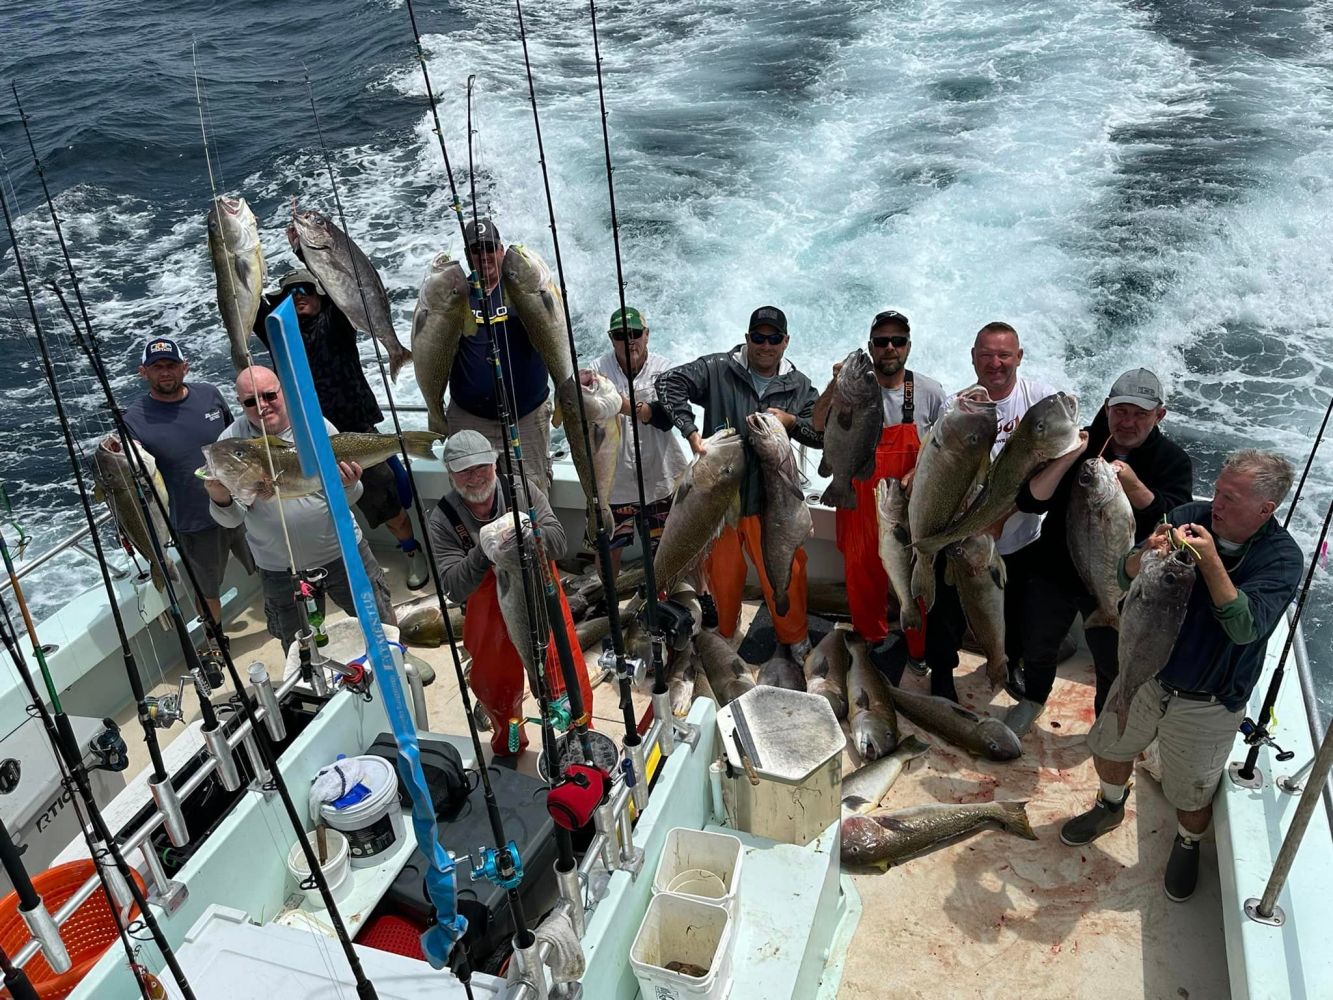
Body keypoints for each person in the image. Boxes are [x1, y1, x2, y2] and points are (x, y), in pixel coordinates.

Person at [1059, 450, 1301, 903]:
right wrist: (1143, 555)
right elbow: (1124, 573)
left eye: (1229, 498)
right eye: (1219, 491)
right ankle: (1110, 805)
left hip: (1209, 702)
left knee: (1191, 793)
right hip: (1145, 677)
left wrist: (1208, 561)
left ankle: (1187, 843)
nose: (1216, 505)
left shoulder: (1281, 559)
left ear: (1265, 509)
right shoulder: (1189, 515)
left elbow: (1245, 627)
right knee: (1109, 746)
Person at [1005, 368, 1194, 734]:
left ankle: (1106, 721)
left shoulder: (1173, 461)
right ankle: (1033, 698)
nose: (1128, 421)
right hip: (1056, 567)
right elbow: (1030, 500)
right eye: (1121, 411)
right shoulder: (1078, 444)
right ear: (1106, 408)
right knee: (1038, 643)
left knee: (1111, 660)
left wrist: (1135, 486)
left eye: (1141, 414)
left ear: (1160, 415)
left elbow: (1177, 520)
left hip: (1120, 581)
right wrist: (1069, 455)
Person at [657, 305, 822, 662]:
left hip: (772, 506)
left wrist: (792, 422)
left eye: (774, 338)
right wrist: (690, 430)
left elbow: (821, 435)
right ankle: (726, 632)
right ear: (748, 339)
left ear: (786, 342)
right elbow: (668, 383)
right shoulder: (718, 369)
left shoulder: (800, 386)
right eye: (759, 337)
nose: (766, 345)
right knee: (723, 576)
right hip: (722, 503)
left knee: (787, 574)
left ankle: (794, 636)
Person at [256, 266, 428, 589]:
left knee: (386, 499)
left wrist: (303, 250)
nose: (299, 297)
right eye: (291, 294)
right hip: (308, 441)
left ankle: (410, 551)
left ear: (321, 294)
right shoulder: (276, 331)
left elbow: (343, 288)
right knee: (314, 508)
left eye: (306, 289)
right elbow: (247, 299)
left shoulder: (336, 321)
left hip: (355, 431)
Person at [204, 366, 396, 649]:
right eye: (250, 401)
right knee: (298, 645)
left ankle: (399, 660)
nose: (262, 406)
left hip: (342, 550)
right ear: (240, 403)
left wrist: (348, 484)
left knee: (379, 621)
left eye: (269, 395)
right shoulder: (230, 445)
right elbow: (232, 521)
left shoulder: (315, 426)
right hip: (279, 568)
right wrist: (219, 497)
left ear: (283, 393)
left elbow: (351, 497)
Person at [427, 430, 594, 755]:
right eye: (464, 470)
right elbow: (453, 586)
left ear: (494, 463)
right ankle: (509, 741)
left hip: (538, 592)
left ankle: (582, 739)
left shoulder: (521, 489)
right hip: (488, 608)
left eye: (481, 467)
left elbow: (559, 543)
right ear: (449, 474)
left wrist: (533, 534)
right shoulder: (442, 520)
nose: (474, 477)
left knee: (566, 672)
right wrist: (481, 552)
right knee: (495, 687)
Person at [923, 321, 1061, 702]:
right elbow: (943, 468)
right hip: (964, 535)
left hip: (1020, 536)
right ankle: (942, 673)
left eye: (1004, 355)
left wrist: (1002, 518)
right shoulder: (958, 406)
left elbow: (1056, 460)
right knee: (946, 610)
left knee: (1016, 612)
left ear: (1019, 356)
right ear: (973, 358)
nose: (995, 363)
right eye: (986, 355)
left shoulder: (1039, 399)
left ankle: (1006, 663)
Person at [811, 310, 946, 677]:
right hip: (858, 494)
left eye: (897, 341)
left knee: (913, 574)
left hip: (907, 501)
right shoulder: (847, 389)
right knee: (860, 572)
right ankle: (870, 640)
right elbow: (818, 423)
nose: (890, 347)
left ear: (908, 347)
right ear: (871, 347)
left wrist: (920, 470)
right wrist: (833, 384)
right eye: (882, 341)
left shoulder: (930, 392)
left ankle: (918, 646)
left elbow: (943, 448)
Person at [116, 337, 253, 624]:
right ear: (144, 372)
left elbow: (236, 441)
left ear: (185, 368)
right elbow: (128, 472)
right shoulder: (133, 419)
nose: (165, 372)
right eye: (157, 367)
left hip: (242, 503)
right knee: (207, 592)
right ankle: (216, 646)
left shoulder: (210, 395)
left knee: (270, 562)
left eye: (171, 365)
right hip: (193, 522)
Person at [443, 218, 556, 490]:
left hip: (526, 417)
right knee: (474, 494)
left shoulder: (525, 288)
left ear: (502, 250)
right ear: (468, 256)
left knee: (532, 493)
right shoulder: (455, 295)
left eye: (490, 247)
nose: (484, 256)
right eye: (476, 250)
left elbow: (554, 329)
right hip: (469, 417)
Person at [589, 306, 687, 576]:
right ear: (611, 339)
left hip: (660, 478)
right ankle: (607, 598)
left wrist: (623, 405)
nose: (629, 340)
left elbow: (668, 417)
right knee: (608, 549)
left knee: (668, 547)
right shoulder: (596, 370)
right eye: (621, 334)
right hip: (614, 483)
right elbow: (582, 409)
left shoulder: (666, 369)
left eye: (635, 333)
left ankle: (691, 594)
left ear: (647, 335)